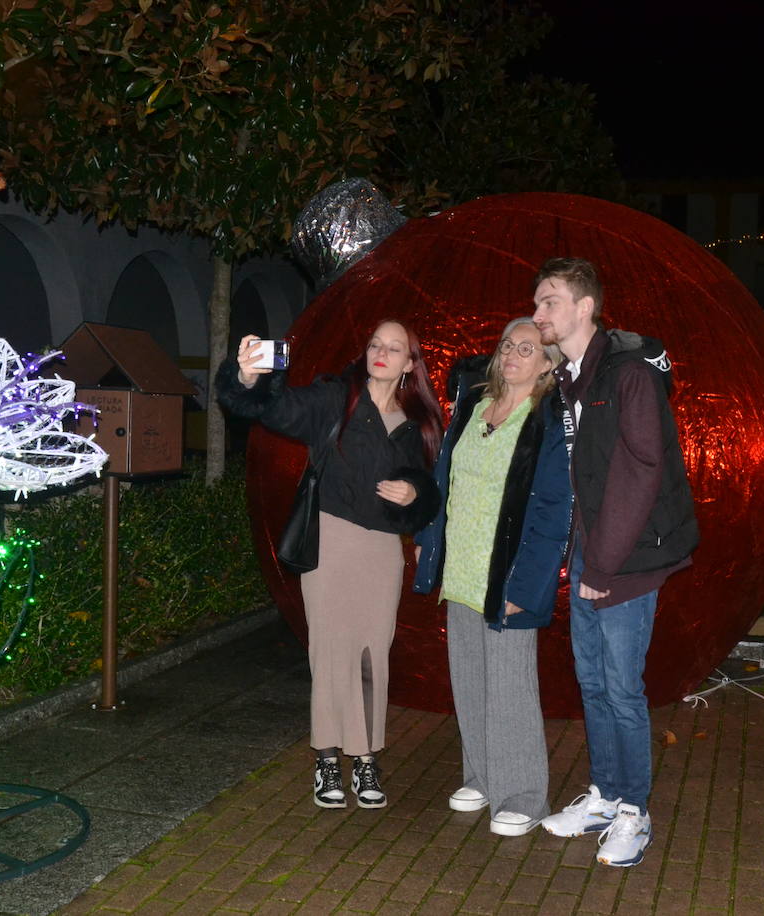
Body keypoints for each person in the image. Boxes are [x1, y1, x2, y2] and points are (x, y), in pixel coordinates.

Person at [216, 322, 442, 810]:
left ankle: (364, 759)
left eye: (394, 348)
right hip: (332, 541)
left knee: (370, 654)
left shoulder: (419, 419)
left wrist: (416, 492)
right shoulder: (334, 399)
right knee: (330, 651)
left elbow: (431, 489)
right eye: (375, 344)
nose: (382, 352)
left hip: (383, 551)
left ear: (410, 363)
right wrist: (249, 378)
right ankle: (326, 758)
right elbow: (269, 409)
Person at [531, 257, 698, 867]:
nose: (537, 313)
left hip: (626, 560)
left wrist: (600, 566)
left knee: (624, 689)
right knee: (594, 682)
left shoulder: (626, 374)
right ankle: (605, 794)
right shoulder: (575, 377)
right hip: (592, 558)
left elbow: (640, 470)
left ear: (585, 307)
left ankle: (635, 810)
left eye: (549, 301)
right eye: (537, 302)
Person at [412, 318, 572, 837]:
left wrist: (526, 587)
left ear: (548, 363)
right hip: (462, 568)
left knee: (510, 687)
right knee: (471, 681)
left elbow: (553, 509)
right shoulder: (475, 405)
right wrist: (429, 539)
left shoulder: (547, 418)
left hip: (507, 572)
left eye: (528, 348)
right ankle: (481, 775)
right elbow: (446, 481)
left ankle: (523, 794)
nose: (513, 355)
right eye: (508, 344)